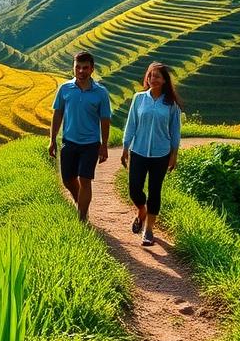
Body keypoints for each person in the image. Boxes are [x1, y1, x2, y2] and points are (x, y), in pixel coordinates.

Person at [121, 62, 183, 246]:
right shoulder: (139, 98)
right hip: (138, 151)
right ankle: (141, 211)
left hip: (161, 154)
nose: (152, 79)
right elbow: (131, 123)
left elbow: (175, 131)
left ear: (164, 80)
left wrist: (174, 154)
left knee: (155, 191)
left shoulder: (171, 105)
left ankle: (148, 230)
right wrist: (125, 147)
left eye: (157, 76)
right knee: (134, 190)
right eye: (150, 75)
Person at [48, 51, 112, 222]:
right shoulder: (65, 89)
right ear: (73, 68)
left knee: (85, 179)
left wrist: (104, 145)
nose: (81, 71)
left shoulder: (101, 93)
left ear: (92, 69)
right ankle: (80, 201)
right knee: (68, 180)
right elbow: (58, 114)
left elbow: (105, 120)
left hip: (90, 143)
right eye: (78, 67)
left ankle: (82, 217)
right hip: (69, 141)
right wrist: (52, 139)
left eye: (85, 68)